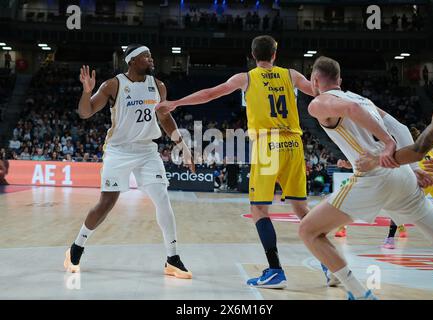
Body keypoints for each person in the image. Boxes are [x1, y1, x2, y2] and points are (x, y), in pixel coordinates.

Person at [156, 35, 314, 288]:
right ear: (275, 54)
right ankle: (331, 266)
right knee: (301, 208)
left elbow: (209, 94)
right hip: (294, 144)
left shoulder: (247, 78)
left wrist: (177, 102)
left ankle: (275, 270)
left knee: (259, 210)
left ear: (252, 56)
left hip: (267, 145)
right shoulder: (291, 75)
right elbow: (317, 90)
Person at [299, 56, 433, 300]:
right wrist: (411, 169)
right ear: (340, 80)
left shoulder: (319, 103)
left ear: (315, 80)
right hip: (401, 176)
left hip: (374, 177)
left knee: (308, 231)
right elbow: (401, 128)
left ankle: (360, 294)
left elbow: (352, 111)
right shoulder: (363, 98)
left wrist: (388, 144)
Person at [63, 44, 194, 280]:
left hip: (147, 151)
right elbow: (85, 112)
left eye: (151, 56)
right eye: (146, 56)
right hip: (119, 151)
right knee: (106, 203)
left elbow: (165, 118)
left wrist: (181, 146)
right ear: (132, 61)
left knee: (163, 200)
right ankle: (76, 246)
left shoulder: (158, 86)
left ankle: (172, 258)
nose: (151, 59)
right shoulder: (113, 85)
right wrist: (86, 91)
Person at [360, 95, 433, 299]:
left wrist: (376, 161)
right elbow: (414, 147)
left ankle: (391, 236)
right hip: (424, 178)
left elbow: (412, 145)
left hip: (428, 179)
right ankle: (391, 236)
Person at [383, 127, 433, 249]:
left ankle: (391, 237)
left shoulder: (429, 148)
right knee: (404, 206)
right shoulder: (407, 152)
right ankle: (390, 237)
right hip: (422, 181)